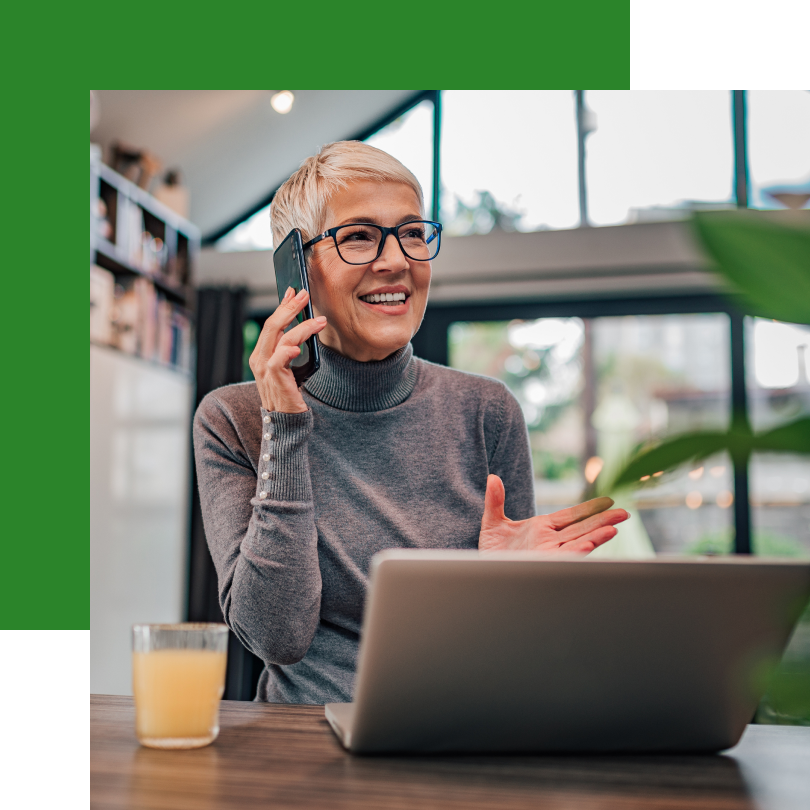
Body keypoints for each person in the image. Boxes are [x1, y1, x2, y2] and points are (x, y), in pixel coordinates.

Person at [193, 141, 629, 704]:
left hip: (458, 733)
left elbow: (520, 651)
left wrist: (503, 590)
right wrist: (285, 427)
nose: (396, 260)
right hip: (304, 748)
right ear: (294, 270)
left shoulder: (487, 411)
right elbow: (277, 636)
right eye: (358, 236)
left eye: (413, 233)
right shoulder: (235, 419)